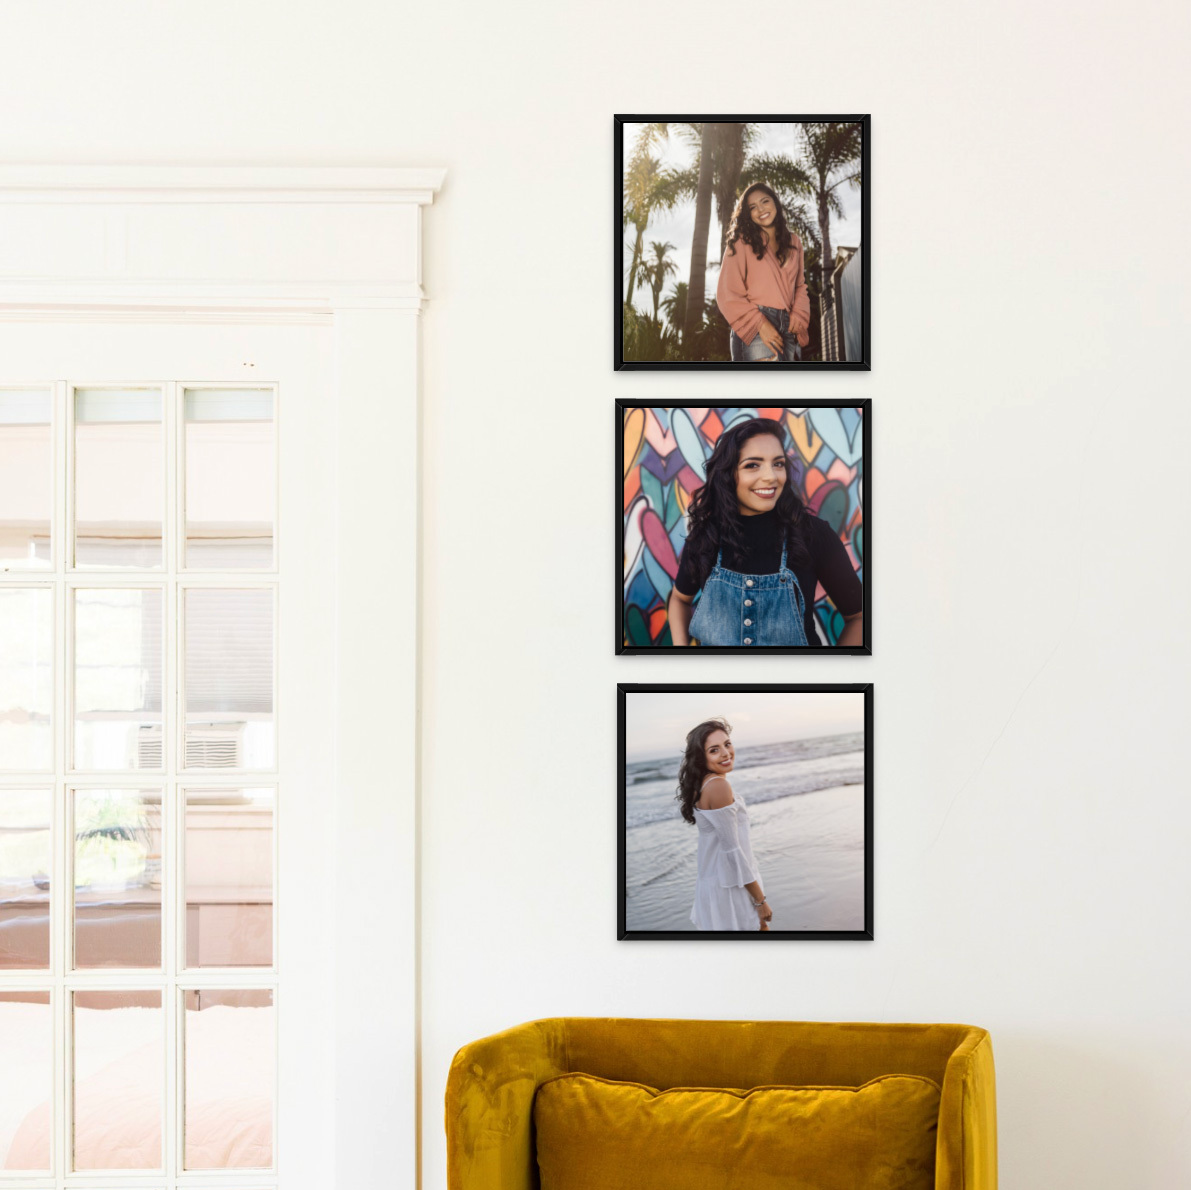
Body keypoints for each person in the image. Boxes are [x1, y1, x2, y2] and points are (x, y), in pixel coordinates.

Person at [667, 417, 862, 648]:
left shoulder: (814, 535)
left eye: (778, 464)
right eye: (752, 465)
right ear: (728, 474)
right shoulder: (706, 535)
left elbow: (859, 618)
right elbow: (679, 599)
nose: (771, 476)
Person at [676, 718, 771, 931]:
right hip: (732, 888)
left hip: (719, 882)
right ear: (701, 758)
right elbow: (733, 852)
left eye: (727, 744)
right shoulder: (718, 786)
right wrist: (760, 901)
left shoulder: (703, 784)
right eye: (714, 750)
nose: (726, 753)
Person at [715, 183, 810, 363]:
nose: (760, 209)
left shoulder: (794, 243)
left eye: (765, 201)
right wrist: (760, 324)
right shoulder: (740, 242)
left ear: (775, 202)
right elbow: (727, 292)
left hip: (787, 328)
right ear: (747, 214)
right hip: (756, 324)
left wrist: (798, 314)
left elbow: (800, 286)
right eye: (753, 207)